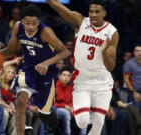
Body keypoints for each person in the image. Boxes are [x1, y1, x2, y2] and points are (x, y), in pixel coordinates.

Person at [46, 0, 119, 135]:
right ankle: (93, 113)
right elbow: (60, 9)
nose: (93, 15)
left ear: (104, 13)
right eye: (91, 11)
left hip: (102, 80)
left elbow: (111, 66)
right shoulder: (81, 21)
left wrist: (103, 52)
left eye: (97, 12)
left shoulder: (112, 33)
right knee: (82, 121)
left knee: (97, 126)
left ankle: (98, 115)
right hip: (82, 79)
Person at [0, 4, 71, 135]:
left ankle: (50, 115)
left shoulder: (46, 32)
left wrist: (47, 63)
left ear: (39, 22)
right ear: (22, 21)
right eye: (27, 23)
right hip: (28, 68)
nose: (31, 27)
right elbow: (10, 50)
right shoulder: (18, 27)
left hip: (47, 72)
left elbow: (65, 52)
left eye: (34, 23)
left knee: (44, 113)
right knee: (20, 102)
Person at [54, 67, 73, 135]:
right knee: (66, 113)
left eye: (68, 76)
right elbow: (52, 104)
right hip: (57, 109)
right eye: (64, 75)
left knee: (82, 112)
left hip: (69, 109)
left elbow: (72, 102)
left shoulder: (70, 88)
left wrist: (71, 107)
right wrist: (64, 106)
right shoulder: (54, 87)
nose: (66, 77)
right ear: (59, 76)